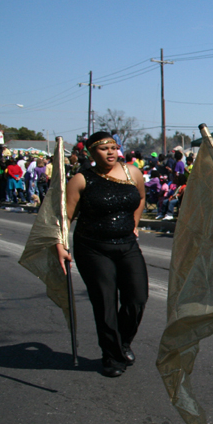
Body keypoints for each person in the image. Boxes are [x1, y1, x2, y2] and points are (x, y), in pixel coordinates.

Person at [55, 131, 148, 376]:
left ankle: (122, 342)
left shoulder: (133, 173)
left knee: (137, 299)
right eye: (102, 148)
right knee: (106, 303)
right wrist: (60, 245)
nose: (109, 152)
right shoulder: (81, 179)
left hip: (127, 245)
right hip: (93, 248)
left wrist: (134, 224)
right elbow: (65, 216)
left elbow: (140, 198)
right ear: (91, 153)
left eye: (113, 147)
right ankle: (111, 357)